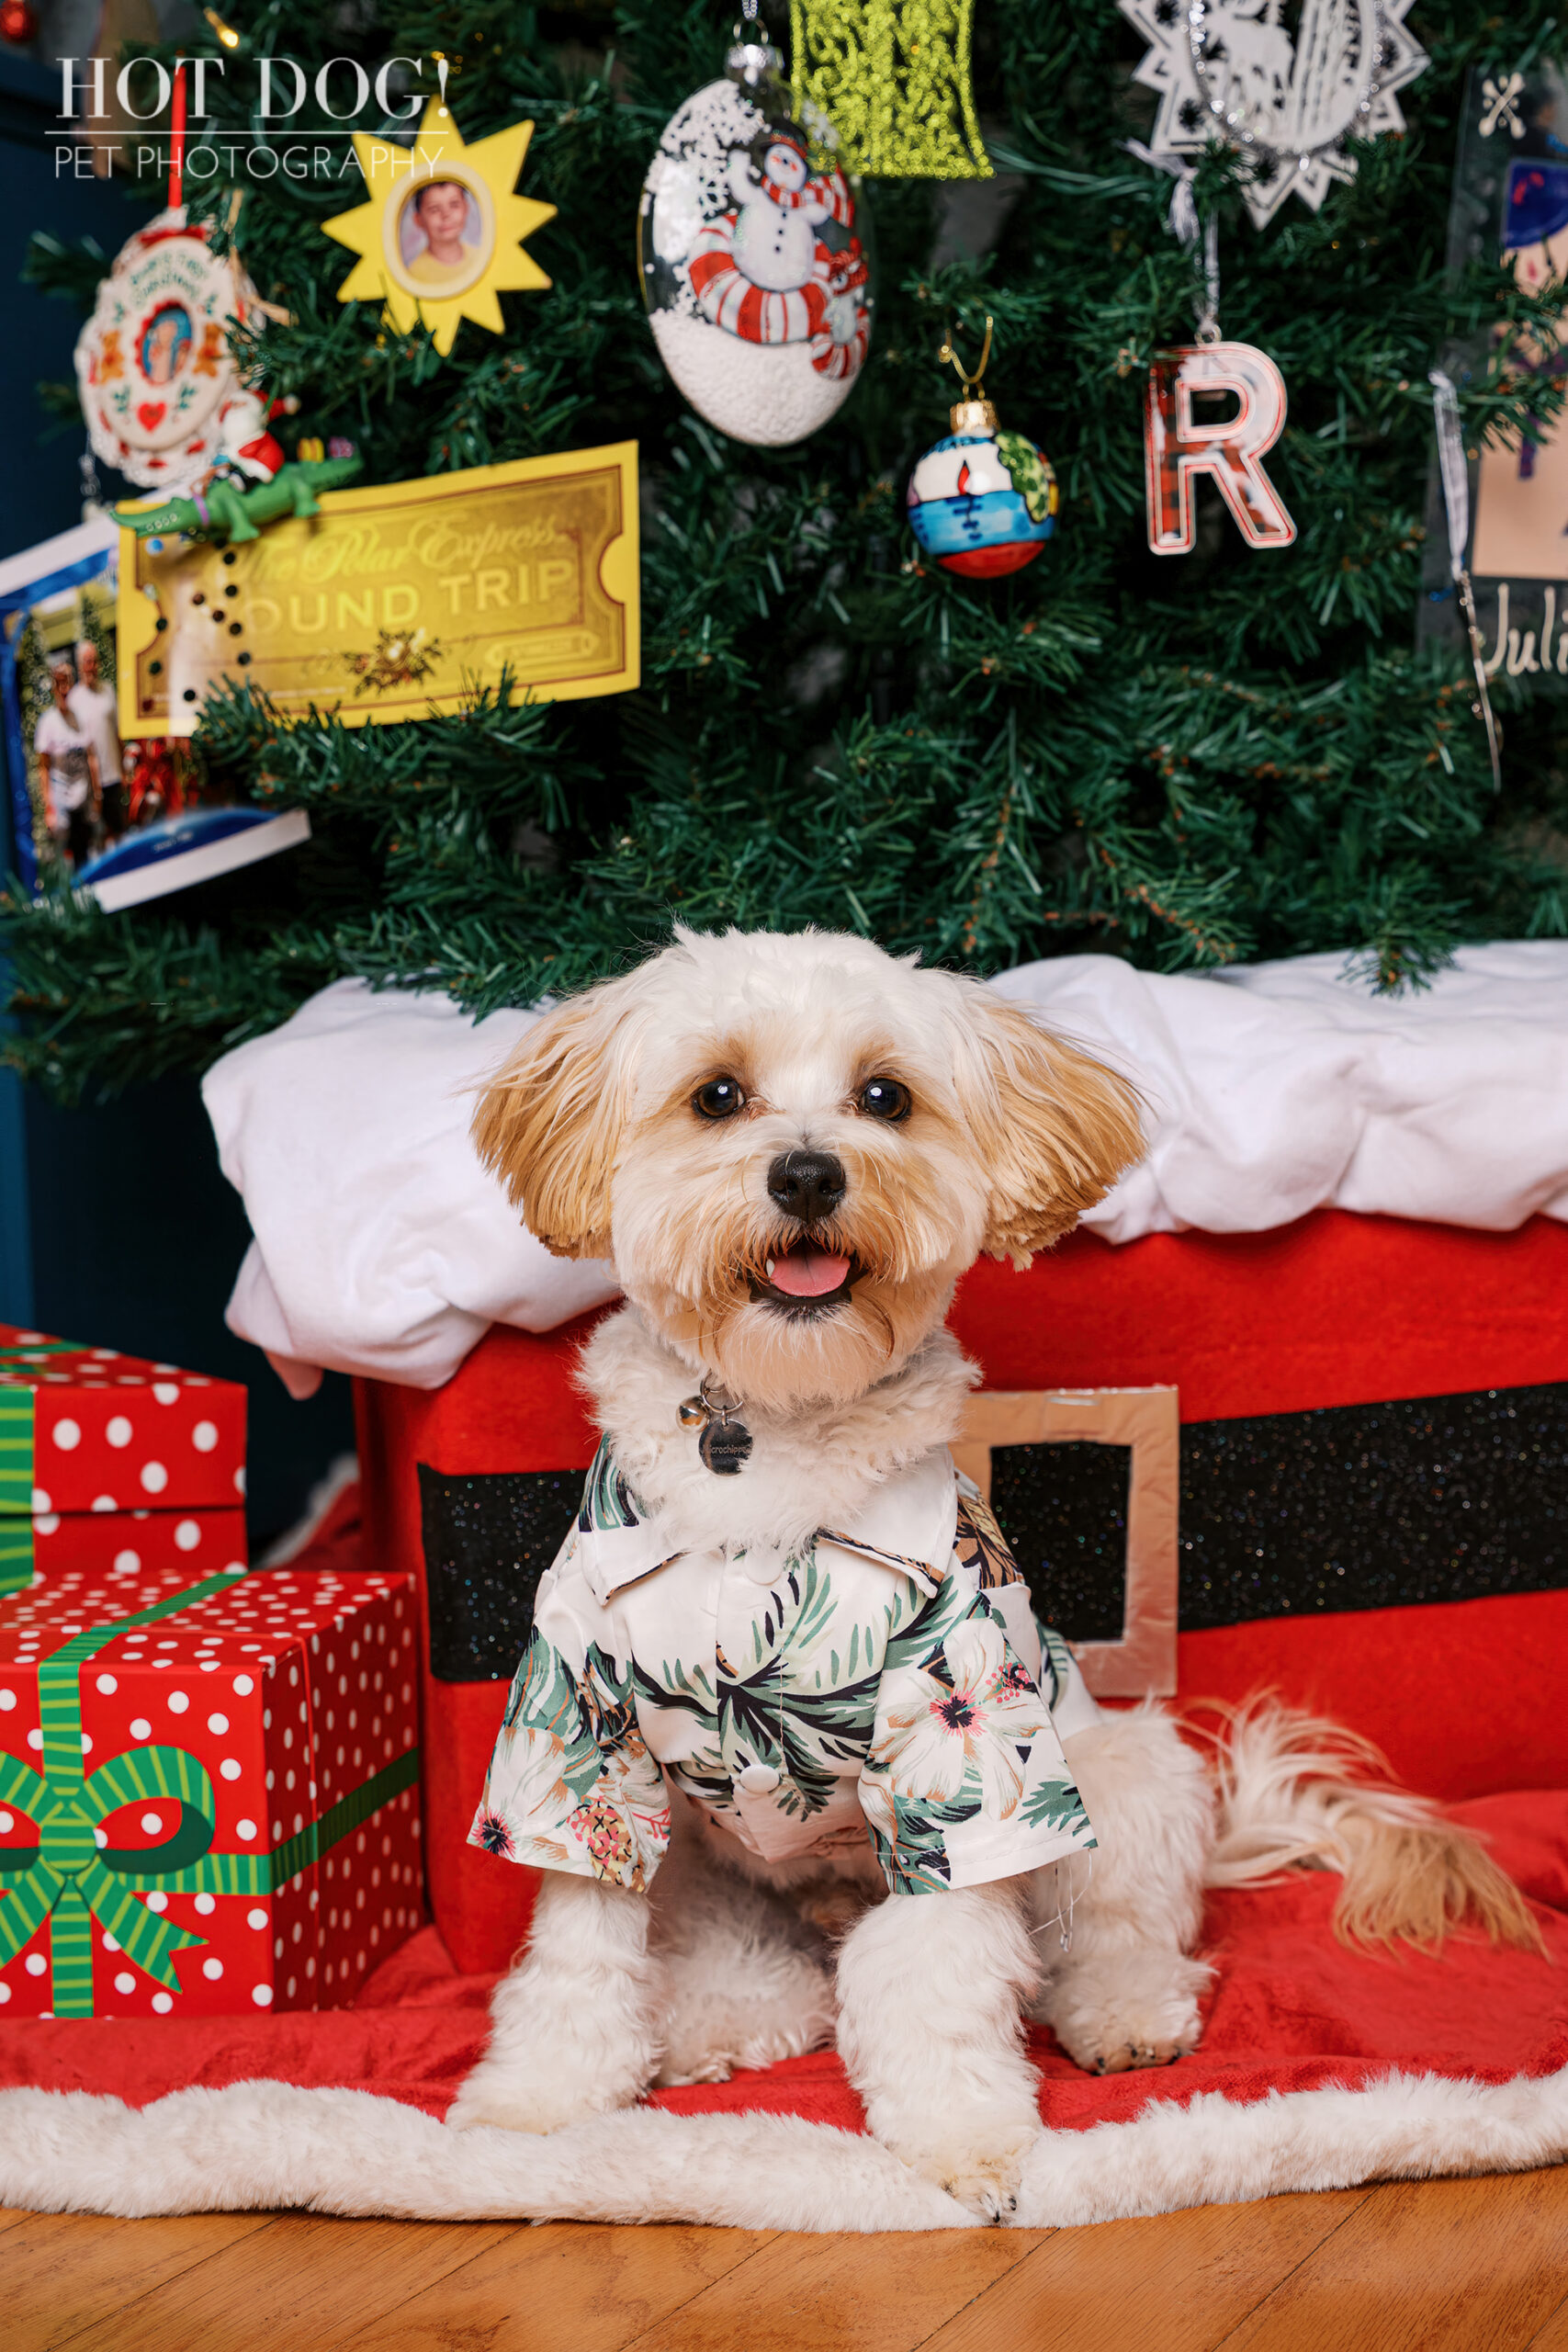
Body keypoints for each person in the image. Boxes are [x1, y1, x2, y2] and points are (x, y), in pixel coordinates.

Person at [33, 657, 100, 871]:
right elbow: (43, 767)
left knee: (87, 857)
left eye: (67, 683)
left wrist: (97, 795)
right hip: (61, 807)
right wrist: (49, 809)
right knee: (66, 864)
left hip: (83, 802)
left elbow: (91, 757)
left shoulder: (80, 718)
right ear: (53, 688)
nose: (64, 689)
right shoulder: (47, 723)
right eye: (59, 684)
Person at [67, 638, 122, 839]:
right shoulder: (74, 700)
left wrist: (124, 769)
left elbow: (118, 732)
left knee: (119, 830)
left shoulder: (107, 690)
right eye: (87, 661)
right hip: (90, 785)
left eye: (94, 661)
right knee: (98, 837)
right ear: (79, 665)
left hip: (114, 775)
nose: (91, 666)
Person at [406, 180, 476, 283]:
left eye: (454, 205)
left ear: (466, 208)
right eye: (434, 209)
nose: (446, 215)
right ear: (418, 219)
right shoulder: (415, 275)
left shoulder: (478, 258)